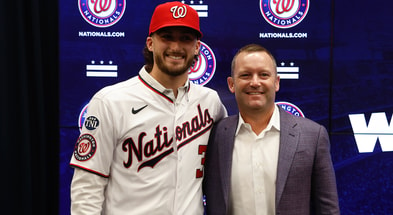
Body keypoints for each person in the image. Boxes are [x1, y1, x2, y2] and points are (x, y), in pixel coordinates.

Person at [69, 2, 227, 214]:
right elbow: (87, 187)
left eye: (185, 39)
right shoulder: (110, 101)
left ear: (197, 46)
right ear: (150, 43)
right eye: (167, 37)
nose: (176, 47)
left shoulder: (210, 102)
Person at [203, 44, 340, 215]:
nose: (254, 82)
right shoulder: (213, 137)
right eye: (245, 75)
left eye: (264, 75)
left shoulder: (313, 136)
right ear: (231, 84)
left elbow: (328, 209)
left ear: (276, 83)